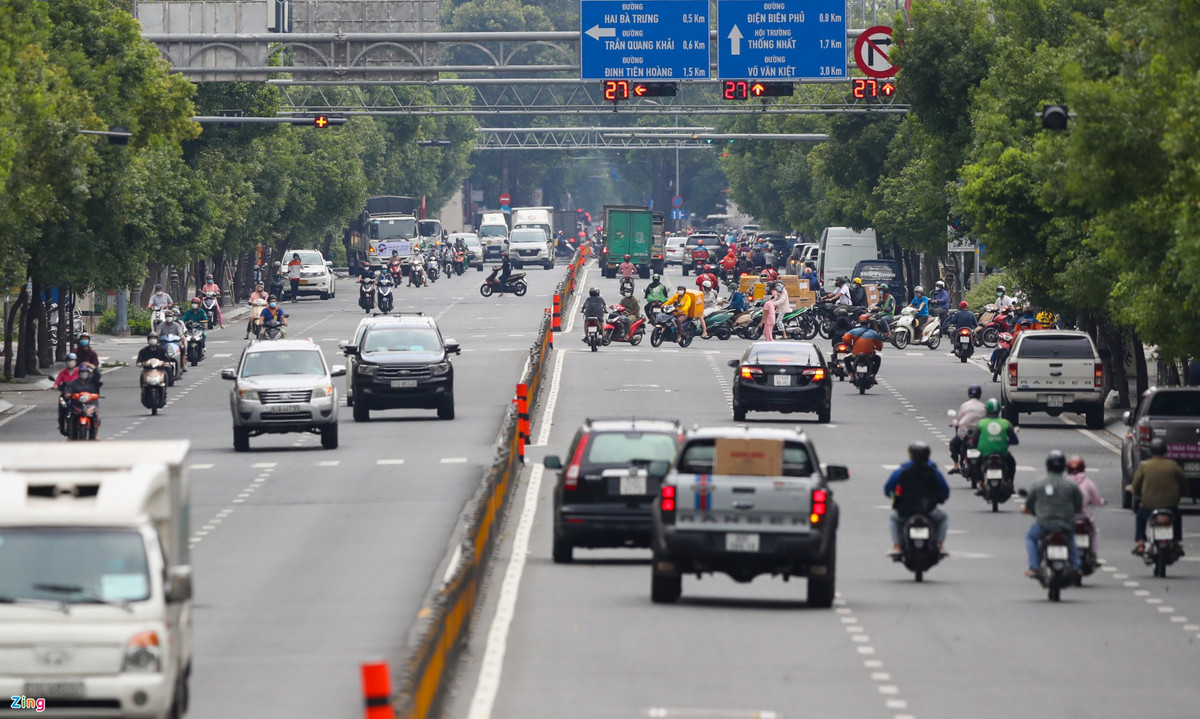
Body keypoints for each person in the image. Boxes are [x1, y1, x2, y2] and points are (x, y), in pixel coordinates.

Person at [1022, 450, 1083, 577]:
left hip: (1044, 524)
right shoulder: (1072, 485)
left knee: (1031, 538)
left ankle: (1034, 567)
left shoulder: (1038, 484)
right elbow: (1078, 507)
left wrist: (1028, 510)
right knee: (1071, 539)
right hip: (1065, 523)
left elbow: (1028, 506)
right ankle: (1076, 566)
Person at [884, 442, 950, 556]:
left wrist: (894, 497)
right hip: (928, 510)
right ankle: (940, 544)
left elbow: (888, 489)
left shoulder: (902, 471)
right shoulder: (933, 471)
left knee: (894, 518)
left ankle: (897, 545)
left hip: (906, 511)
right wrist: (939, 498)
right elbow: (945, 491)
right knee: (942, 518)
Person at [1131, 438, 1188, 556]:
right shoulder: (1173, 465)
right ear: (1165, 451)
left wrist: (1136, 494)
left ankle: (1141, 543)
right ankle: (1176, 542)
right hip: (1170, 506)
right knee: (1177, 517)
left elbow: (1135, 486)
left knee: (1140, 517)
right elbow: (1183, 484)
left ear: (1151, 451)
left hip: (1149, 506)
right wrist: (1182, 494)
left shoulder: (1144, 466)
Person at [971, 399, 1019, 486]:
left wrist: (975, 445)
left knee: (977, 465)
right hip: (1002, 453)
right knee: (1012, 464)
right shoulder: (1006, 423)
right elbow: (1014, 440)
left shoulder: (981, 423)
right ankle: (1010, 483)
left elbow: (974, 439)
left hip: (985, 453)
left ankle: (980, 484)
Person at [1066, 456, 1105, 554]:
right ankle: (1093, 553)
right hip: (1083, 514)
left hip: (1067, 515)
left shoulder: (1065, 482)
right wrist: (1100, 502)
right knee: (1094, 531)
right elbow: (1097, 500)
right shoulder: (1087, 482)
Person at [948, 385, 987, 475]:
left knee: (953, 444)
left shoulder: (964, 406)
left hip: (965, 433)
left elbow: (958, 419)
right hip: (979, 434)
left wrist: (954, 423)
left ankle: (956, 465)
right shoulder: (983, 407)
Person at [54, 353, 80, 435]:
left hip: (77, 396)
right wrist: (55, 386)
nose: (70, 362)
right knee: (62, 410)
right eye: (68, 361)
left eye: (72, 360)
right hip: (65, 395)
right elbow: (57, 382)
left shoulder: (79, 372)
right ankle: (61, 425)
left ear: (75, 362)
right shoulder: (62, 373)